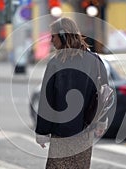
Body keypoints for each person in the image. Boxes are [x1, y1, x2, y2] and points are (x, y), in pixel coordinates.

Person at [35, 17, 109, 169]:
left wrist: (42, 132)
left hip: (61, 134)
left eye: (53, 36)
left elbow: (46, 100)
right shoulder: (94, 60)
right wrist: (101, 121)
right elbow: (103, 94)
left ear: (63, 36)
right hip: (85, 133)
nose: (50, 41)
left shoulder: (55, 63)